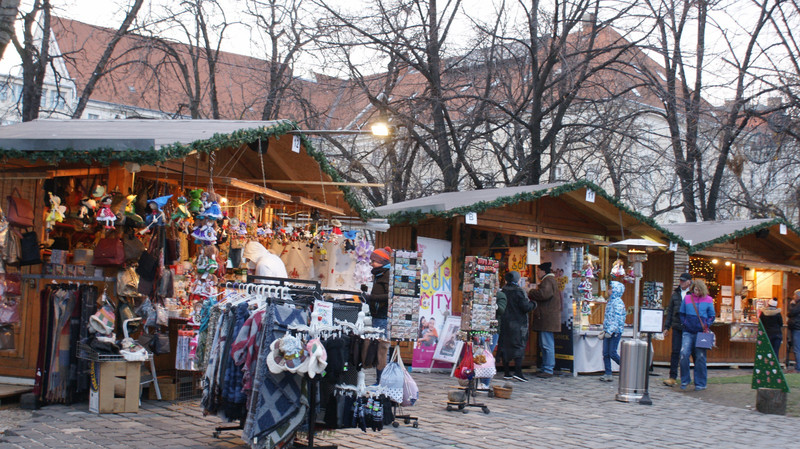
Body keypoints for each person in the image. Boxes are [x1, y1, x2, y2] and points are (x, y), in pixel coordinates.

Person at [497, 271, 536, 382]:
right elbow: (525, 307)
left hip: (505, 322)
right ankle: (518, 372)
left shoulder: (503, 290)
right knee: (518, 346)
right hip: (518, 323)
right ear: (518, 279)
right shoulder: (519, 291)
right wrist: (533, 304)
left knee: (505, 346)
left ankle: (507, 372)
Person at [678, 279, 716, 390]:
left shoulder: (708, 300)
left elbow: (712, 315)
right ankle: (685, 380)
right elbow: (681, 313)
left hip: (701, 332)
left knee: (700, 357)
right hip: (688, 331)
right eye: (695, 289)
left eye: (699, 290)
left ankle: (700, 383)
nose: (697, 292)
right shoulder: (687, 298)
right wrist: (685, 323)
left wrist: (706, 325)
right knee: (684, 354)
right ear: (693, 288)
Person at [363, 246, 392, 382]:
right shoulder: (379, 274)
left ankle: (382, 380)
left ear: (381, 261)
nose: (372, 264)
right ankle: (380, 379)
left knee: (381, 349)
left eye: (374, 261)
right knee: (379, 348)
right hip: (377, 315)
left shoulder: (386, 275)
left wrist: (372, 298)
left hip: (382, 316)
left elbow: (389, 297)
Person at [529, 262, 562, 378]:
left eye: (538, 271)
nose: (537, 273)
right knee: (545, 344)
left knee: (547, 344)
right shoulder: (549, 280)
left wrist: (531, 291)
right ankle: (545, 367)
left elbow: (543, 295)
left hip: (546, 318)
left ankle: (548, 369)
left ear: (544, 271)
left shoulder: (548, 281)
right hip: (546, 318)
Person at [663, 273, 693, 386]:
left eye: (684, 281)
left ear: (689, 282)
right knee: (675, 351)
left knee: (687, 353)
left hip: (689, 327)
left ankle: (687, 377)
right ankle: (672, 376)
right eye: (680, 280)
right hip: (677, 326)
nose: (681, 282)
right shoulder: (675, 294)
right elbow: (670, 311)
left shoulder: (693, 294)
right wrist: (667, 327)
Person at [599, 281, 626, 382]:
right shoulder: (610, 301)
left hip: (615, 332)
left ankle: (625, 367)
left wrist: (610, 331)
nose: (608, 290)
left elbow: (617, 319)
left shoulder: (618, 302)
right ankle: (608, 373)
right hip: (608, 331)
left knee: (612, 352)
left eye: (610, 289)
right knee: (605, 353)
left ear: (615, 291)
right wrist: (605, 329)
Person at [481, 287, 507, 386]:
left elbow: (501, 310)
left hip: (493, 329)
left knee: (487, 355)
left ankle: (485, 383)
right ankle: (476, 380)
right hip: (479, 328)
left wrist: (494, 304)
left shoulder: (501, 295)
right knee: (477, 355)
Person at [788, 290, 800, 372]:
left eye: (795, 295)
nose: (793, 297)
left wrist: (792, 304)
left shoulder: (798, 305)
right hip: (797, 327)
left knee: (797, 349)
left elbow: (792, 312)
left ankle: (798, 367)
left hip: (797, 328)